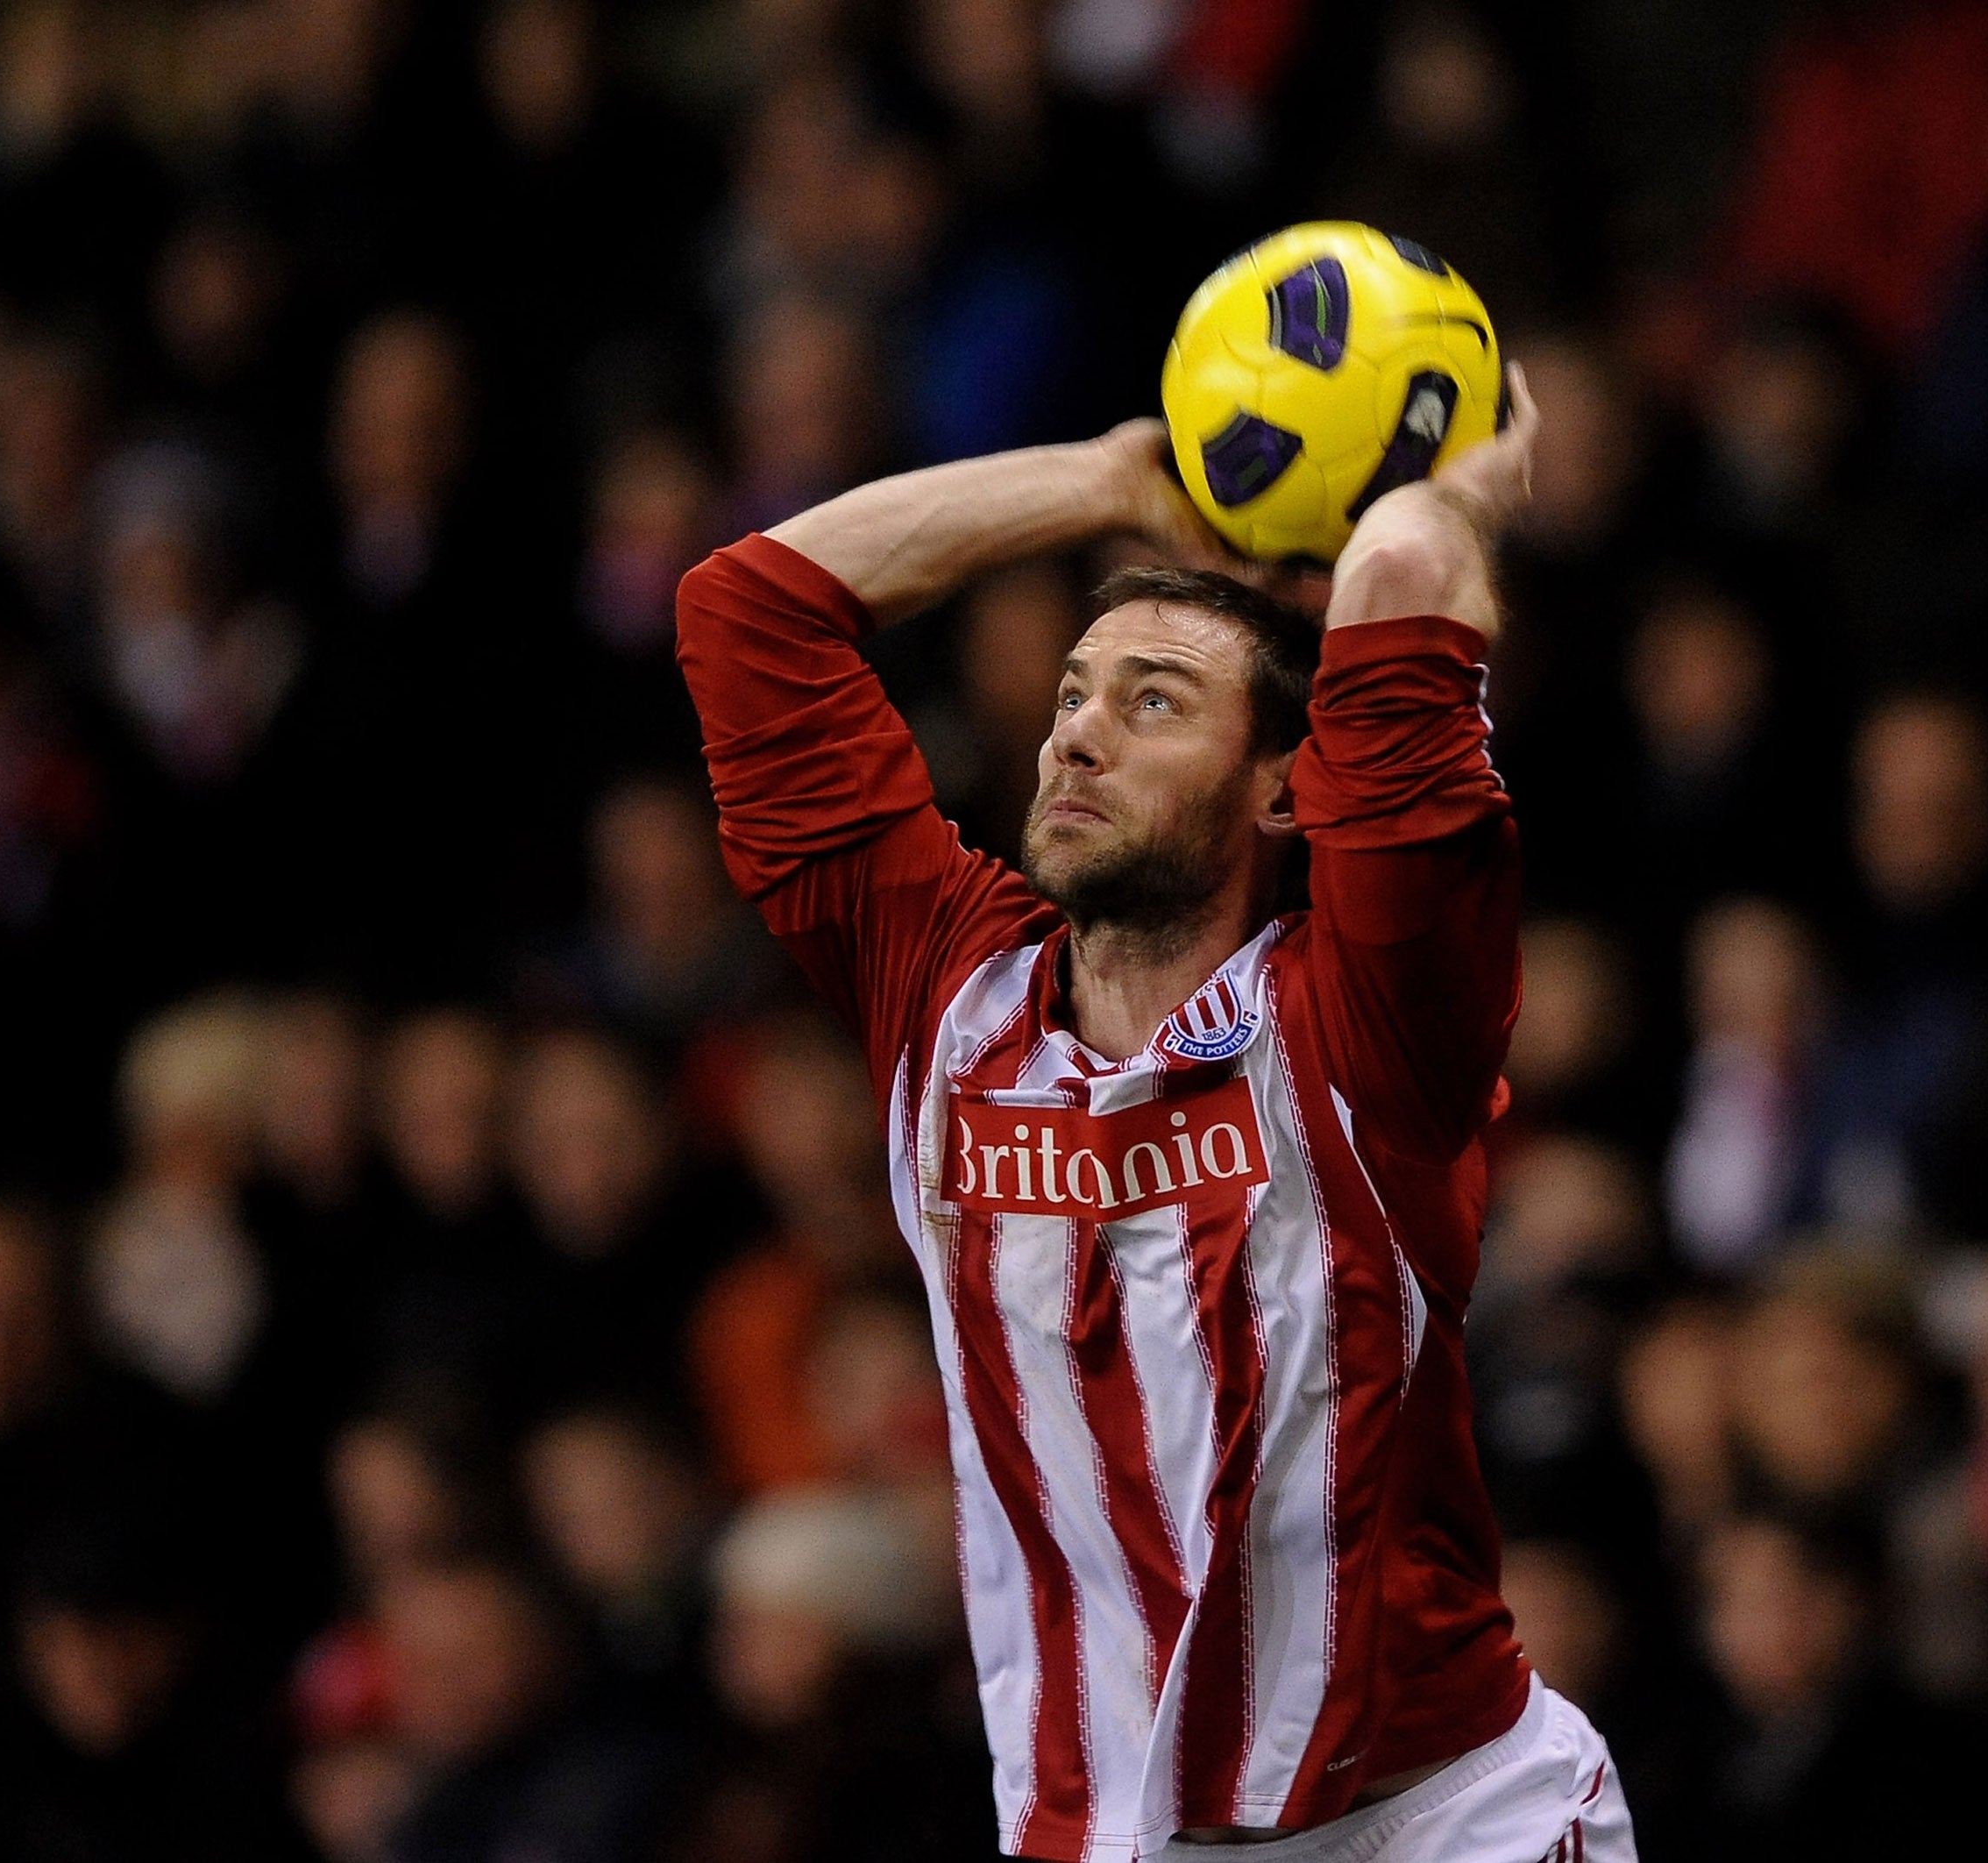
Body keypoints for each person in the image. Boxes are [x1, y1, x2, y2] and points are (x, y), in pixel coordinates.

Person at [676, 371, 1638, 1857]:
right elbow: (754, 607)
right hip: (1101, 1827)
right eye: (1071, 692)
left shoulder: (1369, 1017)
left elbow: (1392, 586)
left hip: (1438, 1821)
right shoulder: (947, 988)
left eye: (1153, 703)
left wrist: (1443, 492)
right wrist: (1113, 477)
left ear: (1278, 791)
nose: (1076, 735)